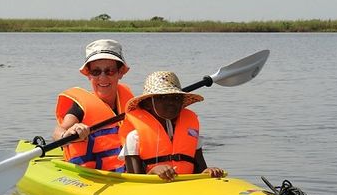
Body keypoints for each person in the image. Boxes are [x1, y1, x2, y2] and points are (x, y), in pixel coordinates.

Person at [119, 71, 224, 182]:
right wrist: (153, 172)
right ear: (147, 104)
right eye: (163, 98)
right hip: (152, 193)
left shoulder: (191, 132)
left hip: (186, 190)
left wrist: (208, 172)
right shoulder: (134, 137)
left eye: (177, 98)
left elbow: (200, 169)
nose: (171, 103)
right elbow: (134, 181)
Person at [53, 39, 134, 171]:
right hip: (91, 174)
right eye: (96, 72)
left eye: (109, 71)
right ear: (89, 75)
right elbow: (58, 131)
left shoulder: (131, 103)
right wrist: (67, 135)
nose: (102, 77)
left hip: (128, 172)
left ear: (120, 73)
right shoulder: (80, 106)